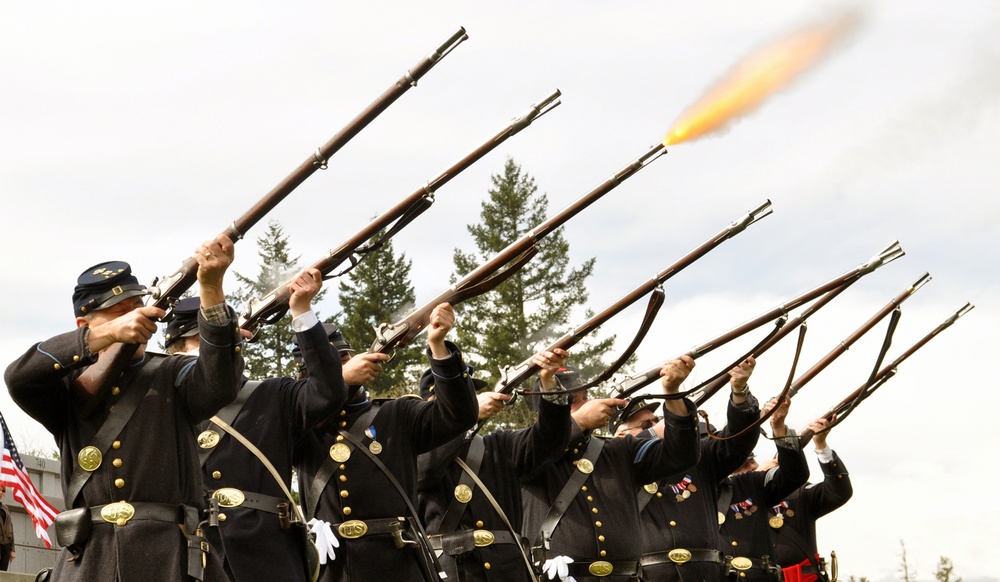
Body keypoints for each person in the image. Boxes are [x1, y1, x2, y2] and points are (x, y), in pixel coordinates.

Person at [4, 235, 243, 582]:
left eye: (136, 307)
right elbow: (18, 376)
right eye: (118, 313)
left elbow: (220, 383)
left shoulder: (172, 373)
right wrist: (106, 336)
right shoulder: (68, 389)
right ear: (85, 326)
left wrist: (211, 290)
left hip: (172, 560)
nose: (133, 318)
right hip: (91, 563)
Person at [165, 267, 348, 582]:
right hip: (193, 560)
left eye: (216, 341)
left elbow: (329, 391)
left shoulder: (274, 395)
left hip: (270, 558)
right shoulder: (164, 404)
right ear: (174, 352)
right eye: (199, 341)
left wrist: (301, 311)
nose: (210, 352)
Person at [296, 302, 479, 582]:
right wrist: (339, 382)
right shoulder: (299, 424)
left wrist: (438, 346)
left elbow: (460, 415)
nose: (337, 369)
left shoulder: (395, 414)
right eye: (325, 368)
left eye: (342, 360)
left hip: (398, 565)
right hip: (333, 569)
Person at [521, 356, 701, 582]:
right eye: (571, 400)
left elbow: (680, 456)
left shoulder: (618, 450)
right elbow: (542, 445)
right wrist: (579, 423)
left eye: (584, 397)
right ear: (547, 410)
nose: (585, 404)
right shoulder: (526, 454)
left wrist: (672, 392)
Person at [417, 348, 574, 581]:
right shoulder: (413, 448)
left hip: (510, 572)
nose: (462, 403)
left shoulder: (500, 445)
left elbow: (551, 440)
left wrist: (547, 381)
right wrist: (467, 418)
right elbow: (425, 470)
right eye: (454, 398)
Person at [623, 357, 761, 582]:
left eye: (657, 419)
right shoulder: (615, 465)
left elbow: (738, 443)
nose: (658, 424)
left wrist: (739, 391)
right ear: (621, 436)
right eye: (646, 425)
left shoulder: (700, 457)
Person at [717, 395, 810, 582]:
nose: (751, 467)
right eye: (742, 465)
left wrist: (779, 428)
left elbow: (795, 474)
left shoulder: (749, 484)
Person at [775, 417, 853, 582]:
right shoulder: (723, 502)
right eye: (745, 466)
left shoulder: (796, 493)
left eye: (752, 462)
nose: (752, 466)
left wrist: (821, 445)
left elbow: (839, 492)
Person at [0, 484, 14, 570]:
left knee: (3, 572)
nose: (1, 492)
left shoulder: (5, 508)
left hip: (6, 545)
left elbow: (10, 529)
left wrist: (12, 550)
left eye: (2, 491)